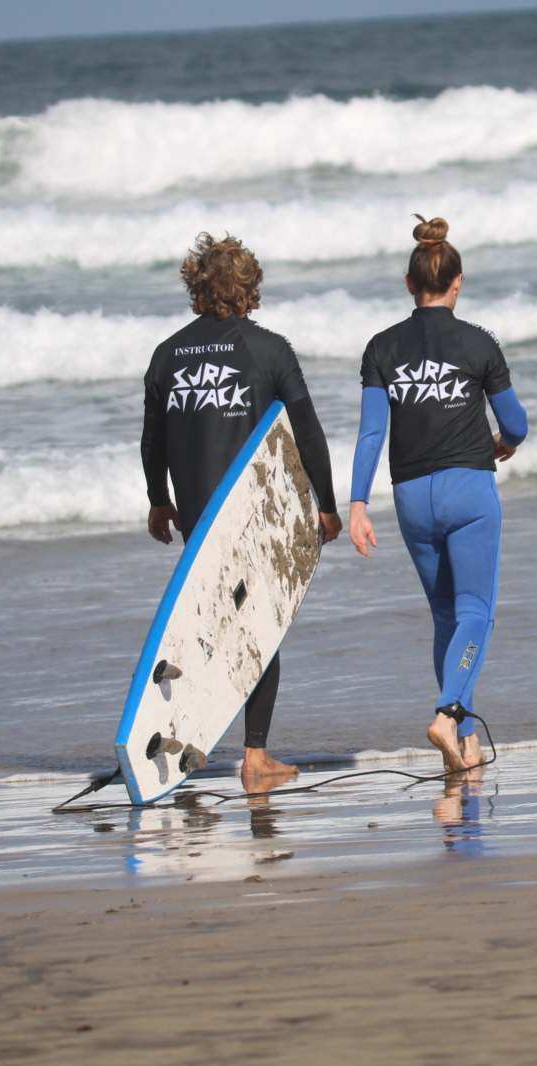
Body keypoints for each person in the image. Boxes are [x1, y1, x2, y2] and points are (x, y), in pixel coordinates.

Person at [141, 232, 342, 792]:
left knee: (204, 627)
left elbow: (151, 441)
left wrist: (160, 499)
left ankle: (183, 733)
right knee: (258, 627)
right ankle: (254, 756)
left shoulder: (167, 355)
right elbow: (307, 433)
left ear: (196, 286)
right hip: (251, 516)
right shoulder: (271, 350)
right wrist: (326, 505)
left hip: (199, 518)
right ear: (250, 289)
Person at [347, 215, 529, 772]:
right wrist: (506, 442)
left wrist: (356, 504)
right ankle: (449, 713)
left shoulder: (381, 347)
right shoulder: (479, 343)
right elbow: (516, 422)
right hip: (470, 489)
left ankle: (466, 744)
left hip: (410, 497)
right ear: (458, 282)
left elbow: (372, 433)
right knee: (477, 611)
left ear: (408, 284)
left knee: (446, 618)